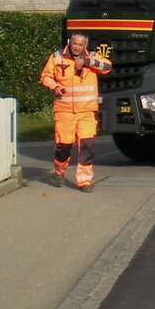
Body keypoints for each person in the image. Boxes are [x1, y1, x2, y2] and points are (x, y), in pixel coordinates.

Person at [40, 32, 112, 191]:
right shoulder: (57, 57)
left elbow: (108, 67)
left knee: (87, 146)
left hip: (87, 111)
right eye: (75, 44)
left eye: (80, 45)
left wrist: (87, 62)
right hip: (64, 111)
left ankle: (85, 181)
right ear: (70, 43)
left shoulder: (93, 57)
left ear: (85, 46)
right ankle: (59, 170)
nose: (77, 47)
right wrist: (55, 87)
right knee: (63, 146)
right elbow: (45, 77)